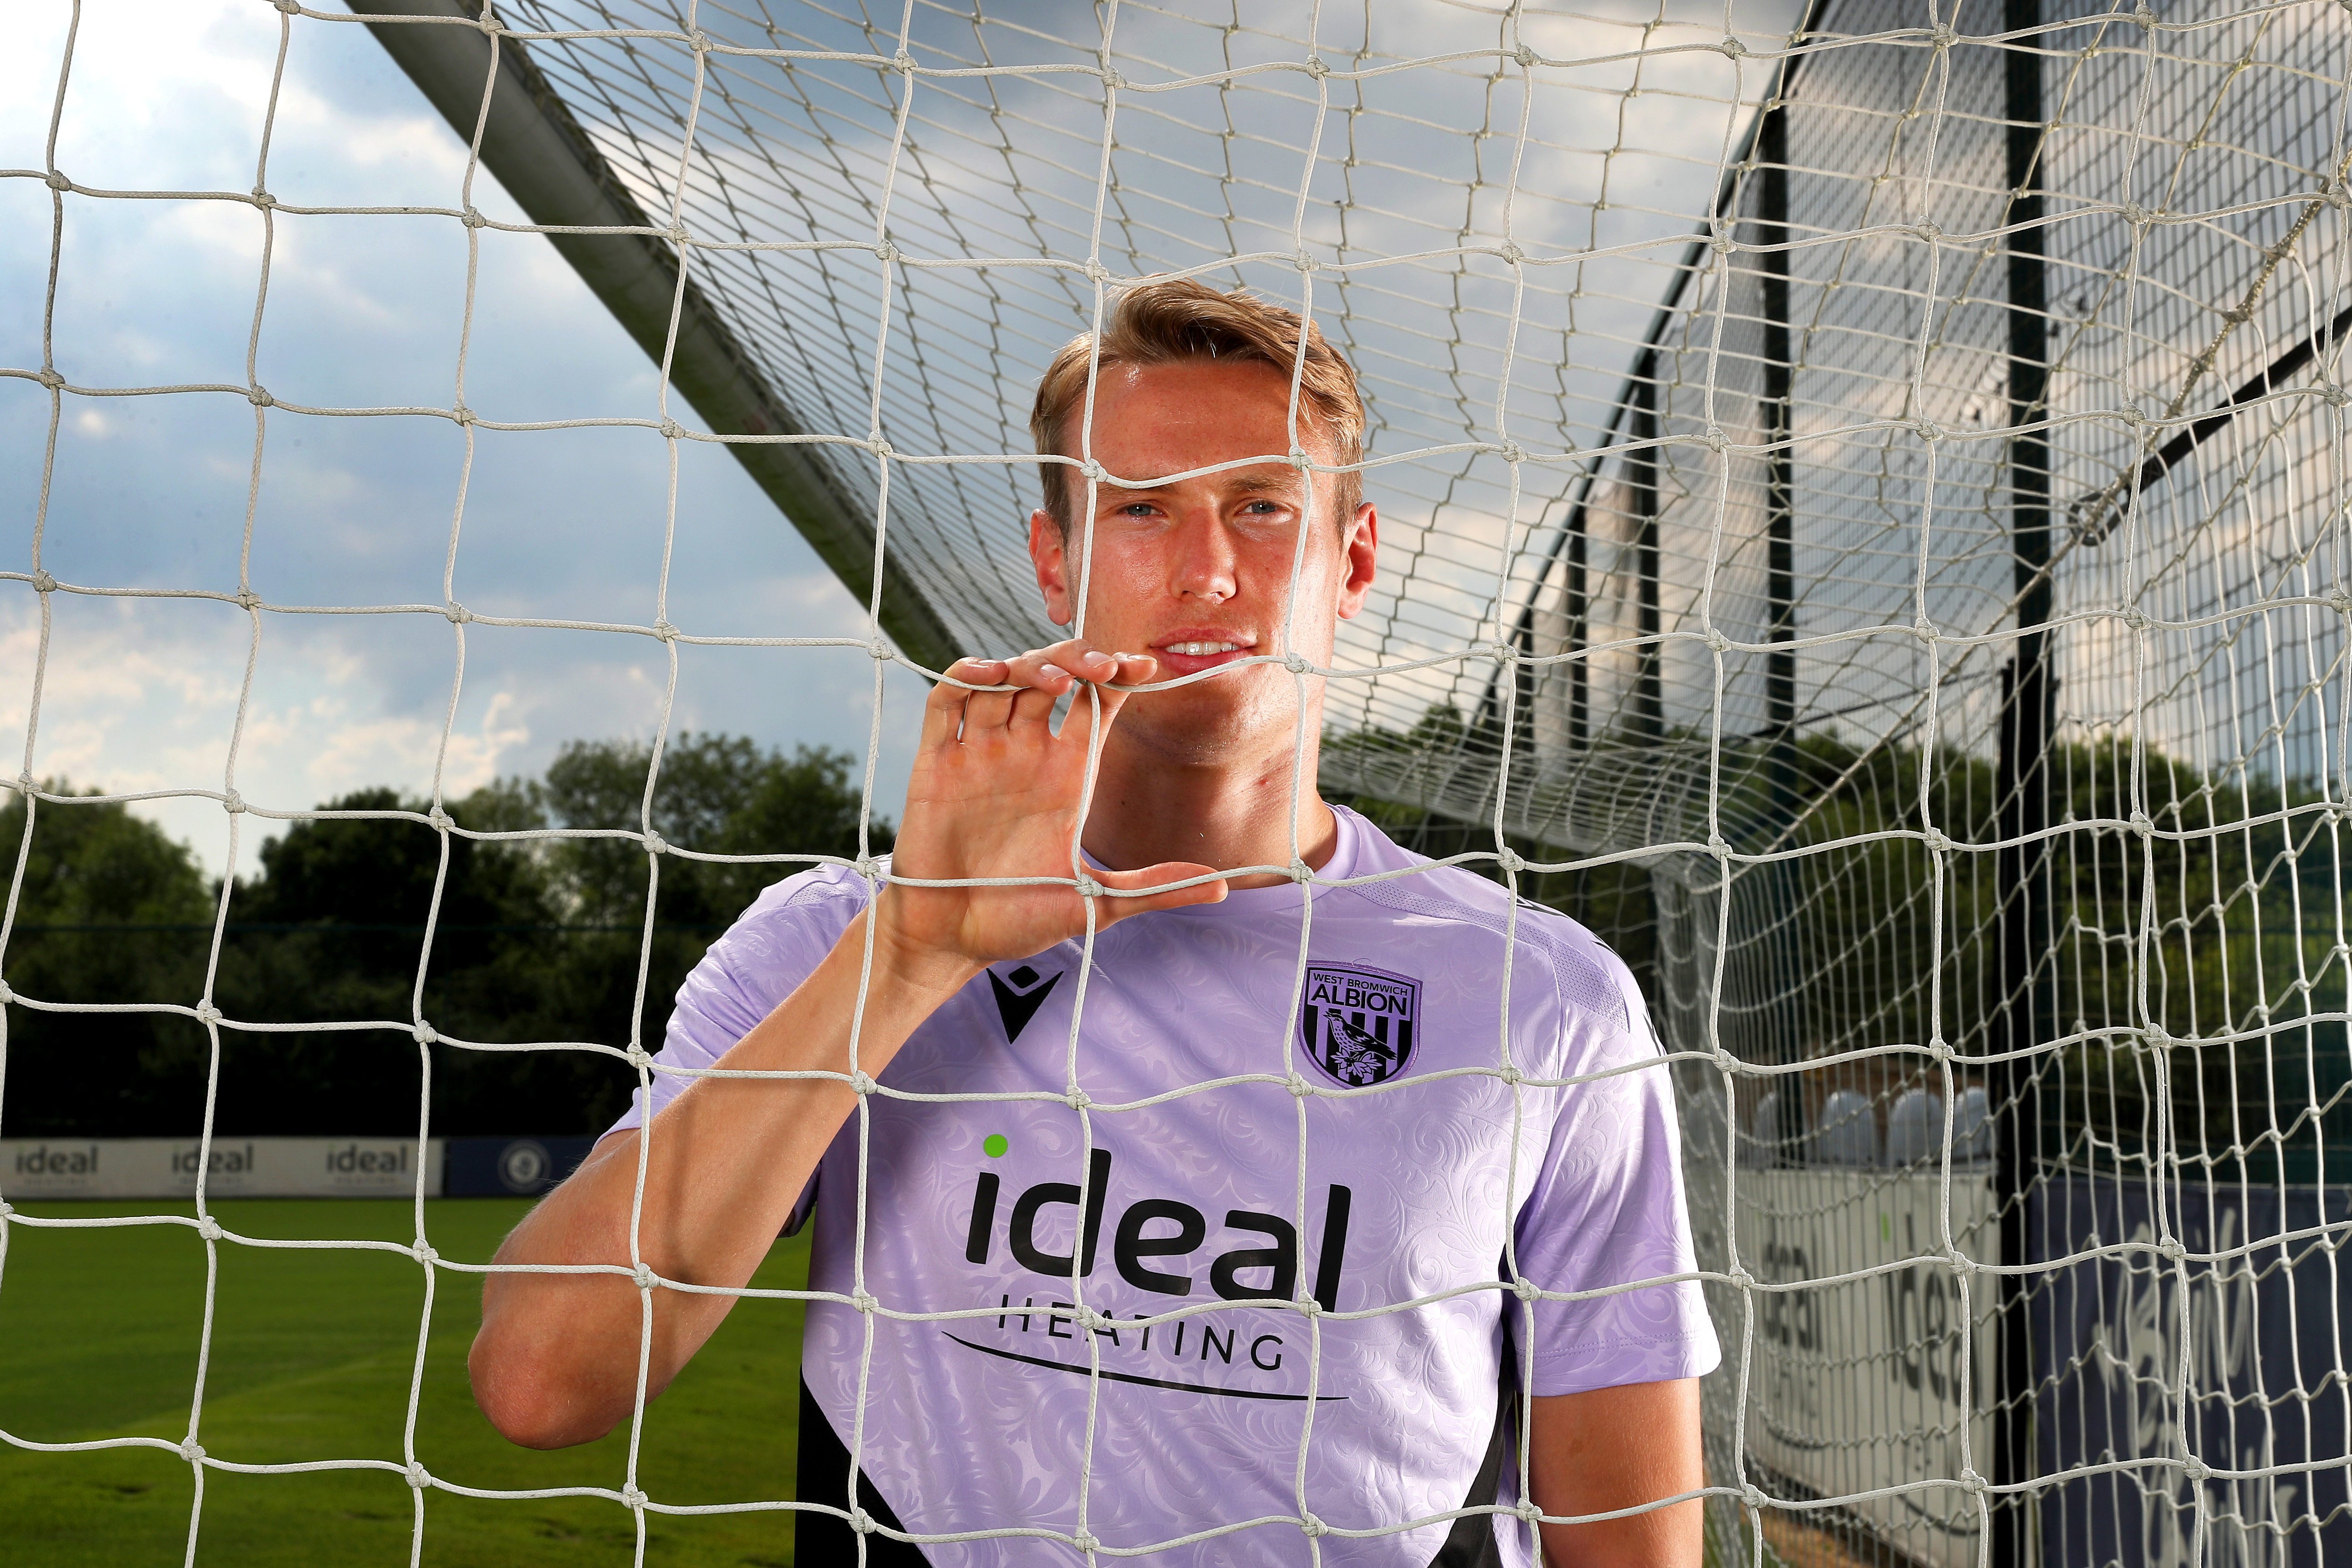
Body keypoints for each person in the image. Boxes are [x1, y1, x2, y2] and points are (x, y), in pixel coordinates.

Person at [468, 278, 1720, 1566]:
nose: (1208, 568)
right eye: (1140, 509)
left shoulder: (1543, 998)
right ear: (1057, 559)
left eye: (1261, 505)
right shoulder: (837, 937)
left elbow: (1630, 1541)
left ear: (1351, 560)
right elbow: (539, 1381)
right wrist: (909, 958)